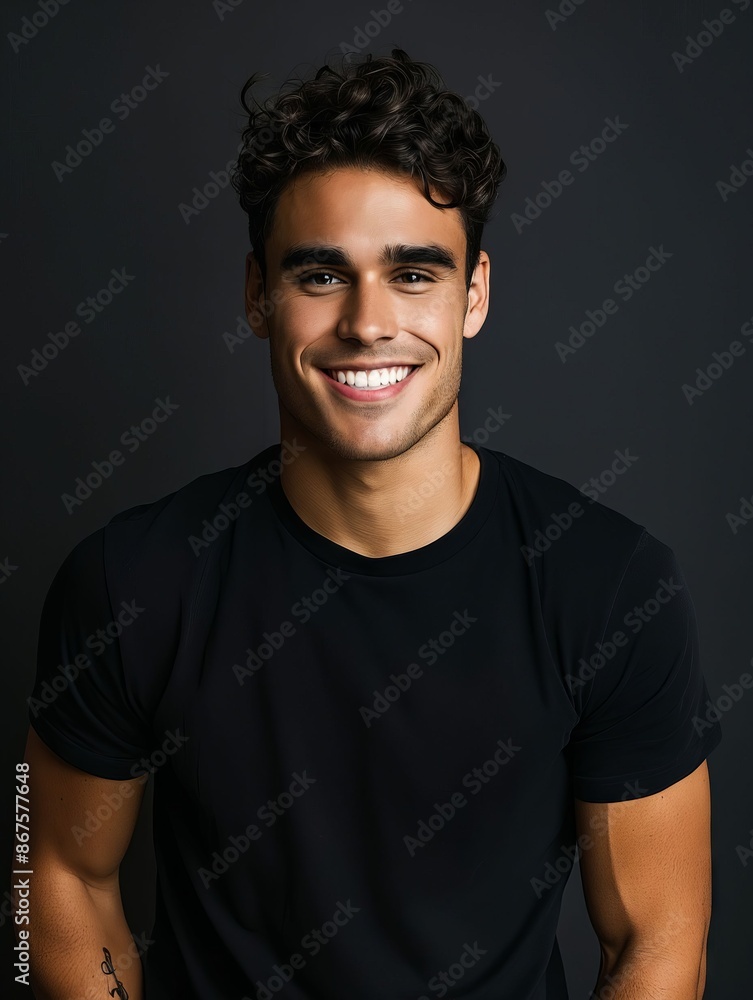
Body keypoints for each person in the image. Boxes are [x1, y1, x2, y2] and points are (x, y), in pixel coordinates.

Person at [19, 48, 722, 1000]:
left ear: (473, 293)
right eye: (319, 276)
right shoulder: (132, 582)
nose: (366, 322)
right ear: (256, 296)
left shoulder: (609, 585)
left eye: (414, 274)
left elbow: (653, 944)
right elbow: (57, 877)